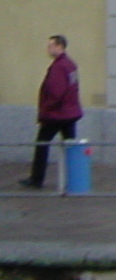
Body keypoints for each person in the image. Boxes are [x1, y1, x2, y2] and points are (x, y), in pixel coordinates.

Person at [19, 35, 81, 190]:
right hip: (70, 114)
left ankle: (36, 178)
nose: (48, 49)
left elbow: (56, 92)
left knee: (42, 144)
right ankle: (74, 179)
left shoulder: (59, 67)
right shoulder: (70, 65)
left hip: (56, 115)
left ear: (60, 46)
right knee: (70, 147)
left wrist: (45, 109)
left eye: (51, 45)